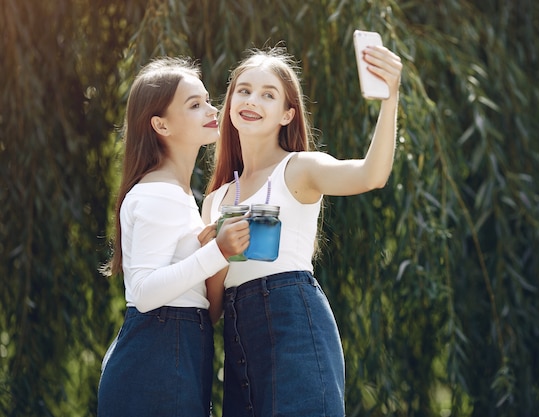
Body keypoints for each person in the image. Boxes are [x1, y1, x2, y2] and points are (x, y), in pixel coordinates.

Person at [201, 43, 402, 417]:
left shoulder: (300, 168)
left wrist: (390, 99)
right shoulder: (214, 200)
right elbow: (211, 307)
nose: (252, 100)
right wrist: (216, 250)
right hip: (240, 347)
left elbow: (371, 175)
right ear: (229, 104)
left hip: (296, 333)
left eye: (268, 94)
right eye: (243, 90)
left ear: (287, 114)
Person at [97, 56, 250, 417]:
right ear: (160, 125)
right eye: (194, 104)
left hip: (178, 356)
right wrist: (216, 251)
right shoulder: (157, 193)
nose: (211, 109)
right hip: (157, 362)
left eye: (207, 100)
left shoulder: (178, 196)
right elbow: (146, 293)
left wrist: (217, 258)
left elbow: (202, 310)